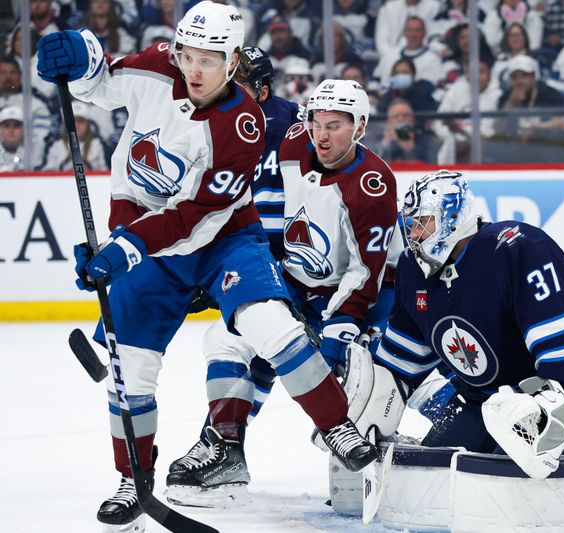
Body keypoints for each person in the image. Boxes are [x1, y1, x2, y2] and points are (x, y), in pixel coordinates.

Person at [35, 3, 377, 530]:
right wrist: (81, 56)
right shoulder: (156, 68)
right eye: (186, 55)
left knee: (270, 324)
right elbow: (98, 85)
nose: (193, 69)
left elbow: (194, 215)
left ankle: (337, 425)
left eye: (209, 60)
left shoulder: (243, 124)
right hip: (149, 248)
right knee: (130, 371)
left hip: (222, 240)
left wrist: (123, 249)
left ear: (233, 61)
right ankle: (134, 481)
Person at [165, 77, 401, 506]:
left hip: (356, 298)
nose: (322, 134)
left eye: (336, 125)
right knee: (227, 338)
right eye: (317, 122)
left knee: (357, 383)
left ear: (360, 127)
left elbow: (366, 273)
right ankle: (224, 448)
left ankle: (372, 473)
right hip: (294, 281)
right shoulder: (294, 144)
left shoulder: (373, 184)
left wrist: (338, 328)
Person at [374, 170, 564, 462]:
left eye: (424, 222)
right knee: (436, 468)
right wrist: (368, 403)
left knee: (517, 465)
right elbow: (402, 359)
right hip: (486, 397)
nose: (414, 235)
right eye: (411, 224)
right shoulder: (412, 270)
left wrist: (555, 408)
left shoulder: (518, 249)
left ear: (453, 217)